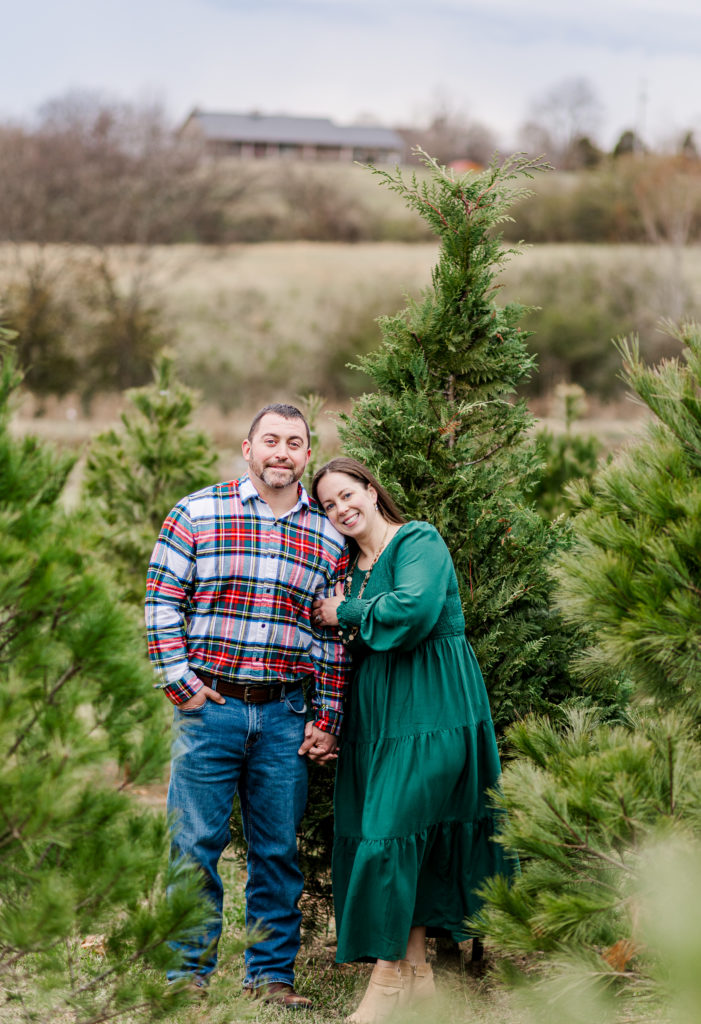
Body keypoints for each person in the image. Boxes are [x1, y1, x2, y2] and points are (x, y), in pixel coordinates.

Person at [145, 404, 349, 1009]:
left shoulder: (328, 535)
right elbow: (161, 601)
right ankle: (186, 975)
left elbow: (330, 635)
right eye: (271, 441)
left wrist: (326, 716)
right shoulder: (197, 512)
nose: (281, 452)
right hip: (211, 708)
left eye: (294, 442)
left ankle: (270, 977)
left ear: (307, 455)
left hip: (284, 713)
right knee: (194, 843)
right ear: (247, 448)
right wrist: (181, 684)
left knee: (276, 851)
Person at [311, 457, 515, 1024]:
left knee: (387, 836)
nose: (342, 509)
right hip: (376, 716)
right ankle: (420, 976)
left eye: (348, 495)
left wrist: (345, 612)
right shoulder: (349, 565)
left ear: (372, 492)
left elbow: (415, 610)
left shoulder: (417, 540)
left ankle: (385, 983)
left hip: (432, 706)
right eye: (329, 504)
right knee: (403, 840)